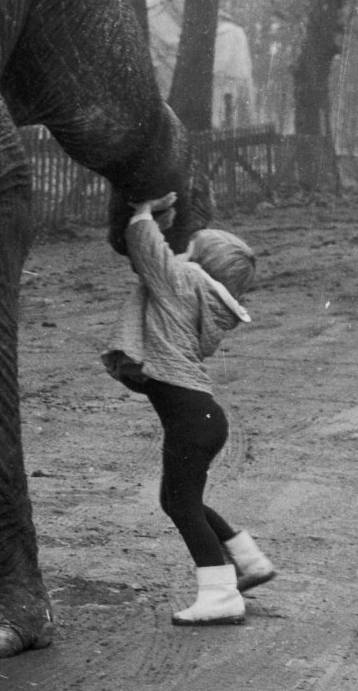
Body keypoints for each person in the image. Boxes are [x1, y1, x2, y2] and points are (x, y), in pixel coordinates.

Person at [103, 192, 274, 626]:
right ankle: (248, 560)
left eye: (189, 251)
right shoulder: (199, 295)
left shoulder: (182, 283)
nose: (179, 255)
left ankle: (220, 597)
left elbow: (149, 253)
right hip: (201, 417)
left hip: (191, 419)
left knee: (182, 506)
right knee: (179, 499)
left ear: (199, 265)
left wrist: (144, 214)